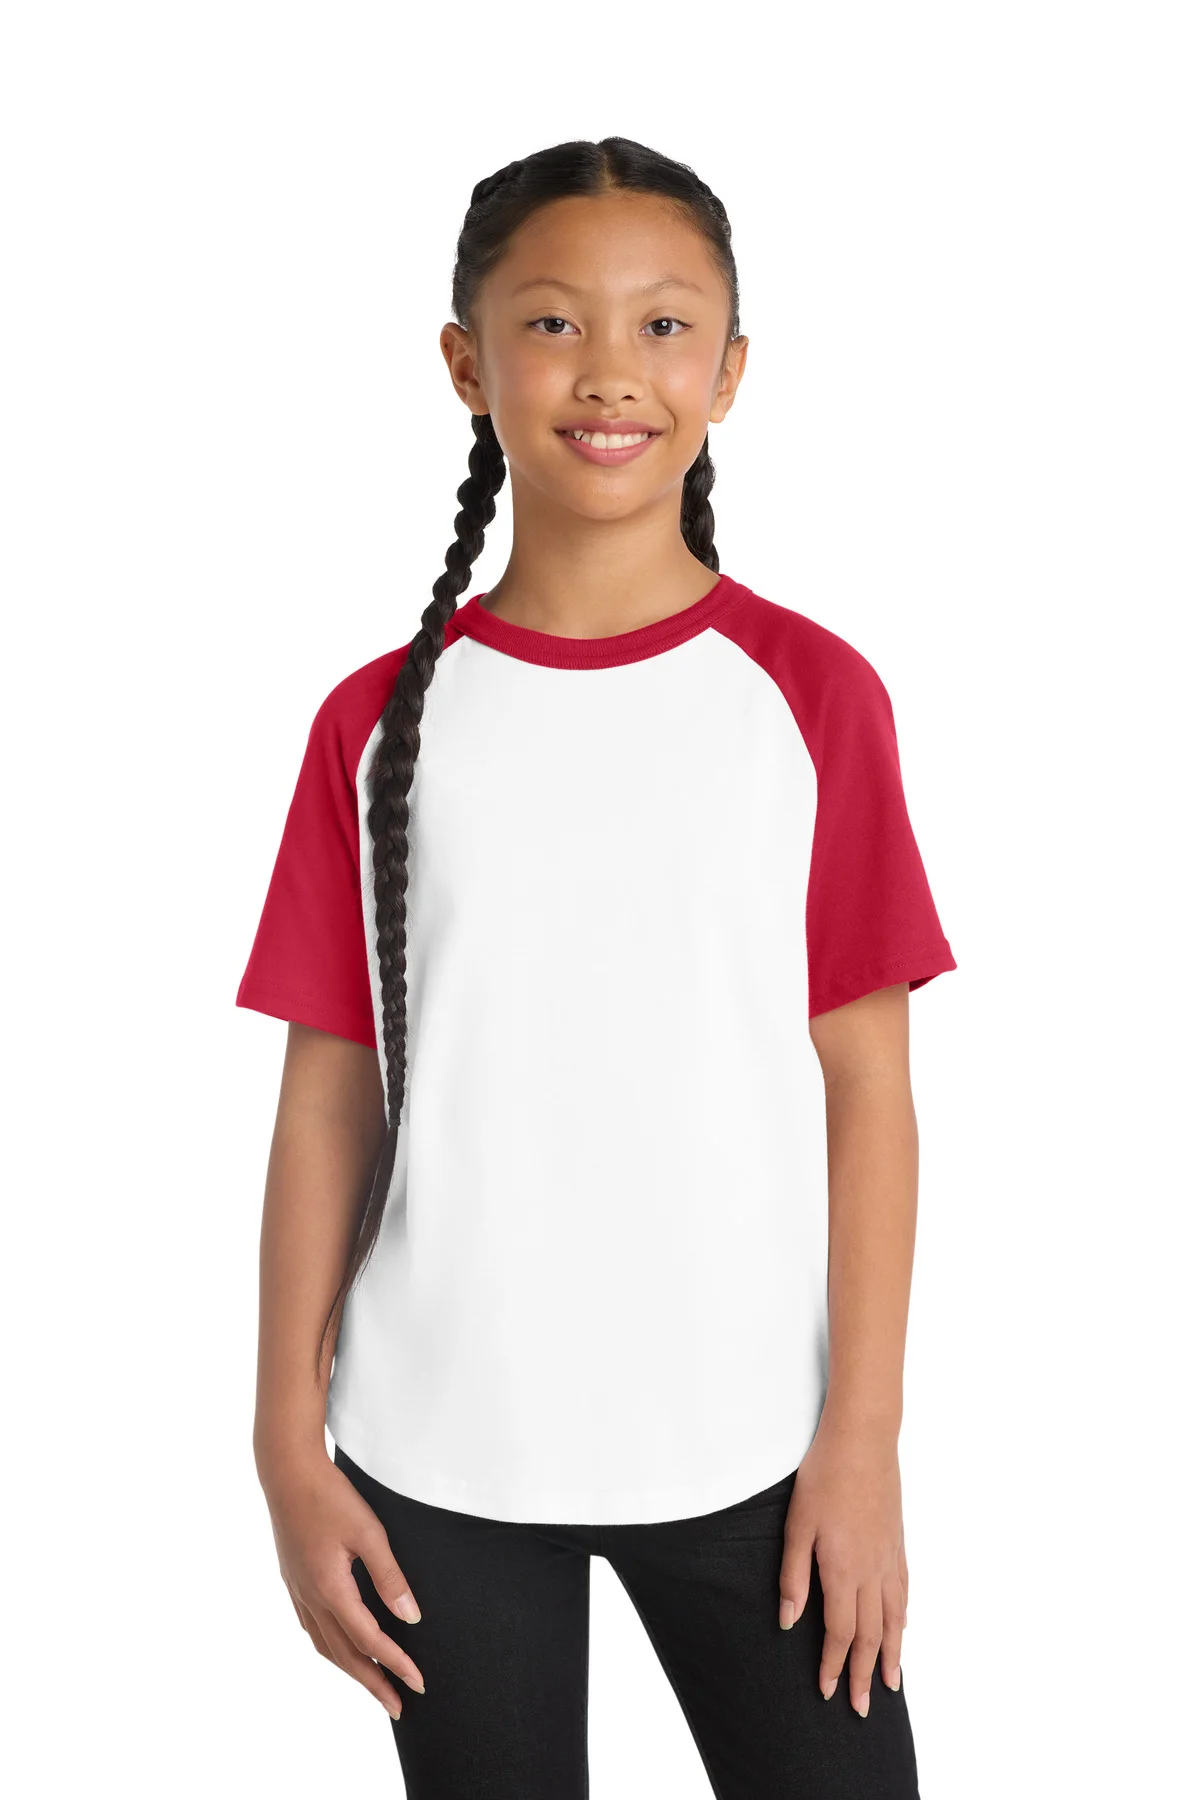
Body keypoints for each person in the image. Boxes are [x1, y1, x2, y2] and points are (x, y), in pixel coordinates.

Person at [236, 136, 957, 1800]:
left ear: (731, 372)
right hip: (433, 1457)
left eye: (664, 325)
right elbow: (328, 1100)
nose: (611, 371)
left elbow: (870, 1090)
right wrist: (283, 1442)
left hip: (752, 1451)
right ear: (466, 363)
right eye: (554, 324)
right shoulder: (375, 724)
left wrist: (863, 1438)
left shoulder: (813, 698)